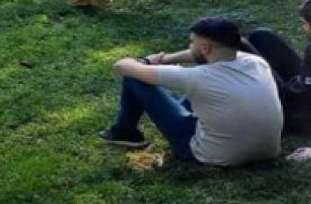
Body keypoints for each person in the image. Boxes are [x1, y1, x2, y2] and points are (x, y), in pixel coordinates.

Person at [101, 17, 283, 167]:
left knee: (134, 78)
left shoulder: (198, 77)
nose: (190, 47)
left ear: (205, 49)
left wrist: (145, 61)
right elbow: (199, 56)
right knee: (210, 95)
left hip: (211, 155)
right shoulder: (256, 63)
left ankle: (125, 132)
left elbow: (122, 66)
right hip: (267, 152)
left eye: (192, 43)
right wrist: (165, 59)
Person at [246, 0, 311, 137]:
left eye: (305, 24)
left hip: (301, 112)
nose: (304, 28)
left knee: (243, 48)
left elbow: (309, 92)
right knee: (262, 36)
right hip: (304, 86)